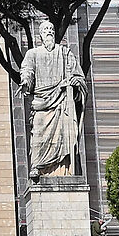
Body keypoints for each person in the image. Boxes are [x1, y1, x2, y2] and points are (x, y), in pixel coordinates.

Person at [19, 15, 84, 178]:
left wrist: (76, 81)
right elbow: (27, 70)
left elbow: (78, 74)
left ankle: (65, 170)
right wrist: (26, 81)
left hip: (61, 102)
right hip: (41, 102)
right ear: (40, 35)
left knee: (63, 138)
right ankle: (37, 167)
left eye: (51, 30)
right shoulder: (33, 54)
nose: (49, 32)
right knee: (39, 137)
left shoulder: (64, 52)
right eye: (45, 30)